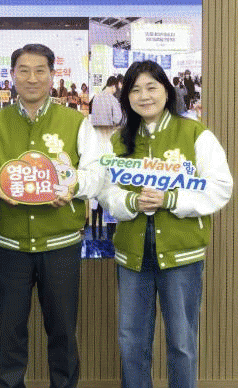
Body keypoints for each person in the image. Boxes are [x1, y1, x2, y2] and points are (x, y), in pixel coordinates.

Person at [0, 43, 103, 388]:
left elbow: (96, 173)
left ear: (52, 75)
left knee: (63, 332)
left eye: (40, 70)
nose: (32, 78)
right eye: (24, 70)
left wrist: (72, 187)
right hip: (9, 246)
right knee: (10, 333)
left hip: (61, 246)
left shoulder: (76, 123)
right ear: (12, 75)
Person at [97, 61, 232, 388]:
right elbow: (105, 190)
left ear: (167, 91)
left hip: (181, 256)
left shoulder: (195, 133)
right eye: (135, 90)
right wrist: (130, 202)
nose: (144, 96)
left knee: (182, 343)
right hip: (132, 256)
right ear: (127, 97)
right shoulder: (119, 141)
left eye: (151, 87)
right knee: (131, 342)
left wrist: (171, 199)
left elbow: (220, 187)